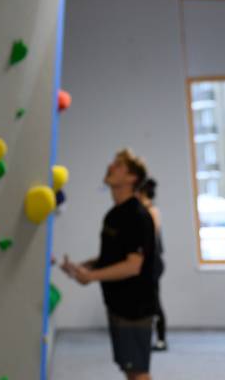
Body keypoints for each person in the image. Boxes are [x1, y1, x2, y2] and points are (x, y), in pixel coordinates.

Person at [61, 149, 156, 380]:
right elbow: (114, 257)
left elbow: (133, 265)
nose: (111, 167)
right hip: (117, 303)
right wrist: (83, 267)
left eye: (118, 165)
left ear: (132, 178)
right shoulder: (113, 215)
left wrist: (92, 277)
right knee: (129, 368)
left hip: (135, 307)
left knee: (138, 372)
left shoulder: (137, 215)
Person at [137, 177, 167, 351]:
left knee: (154, 303)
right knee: (147, 302)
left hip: (153, 263)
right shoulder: (142, 210)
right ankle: (146, 337)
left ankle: (161, 340)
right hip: (146, 263)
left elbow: (149, 237)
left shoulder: (151, 210)